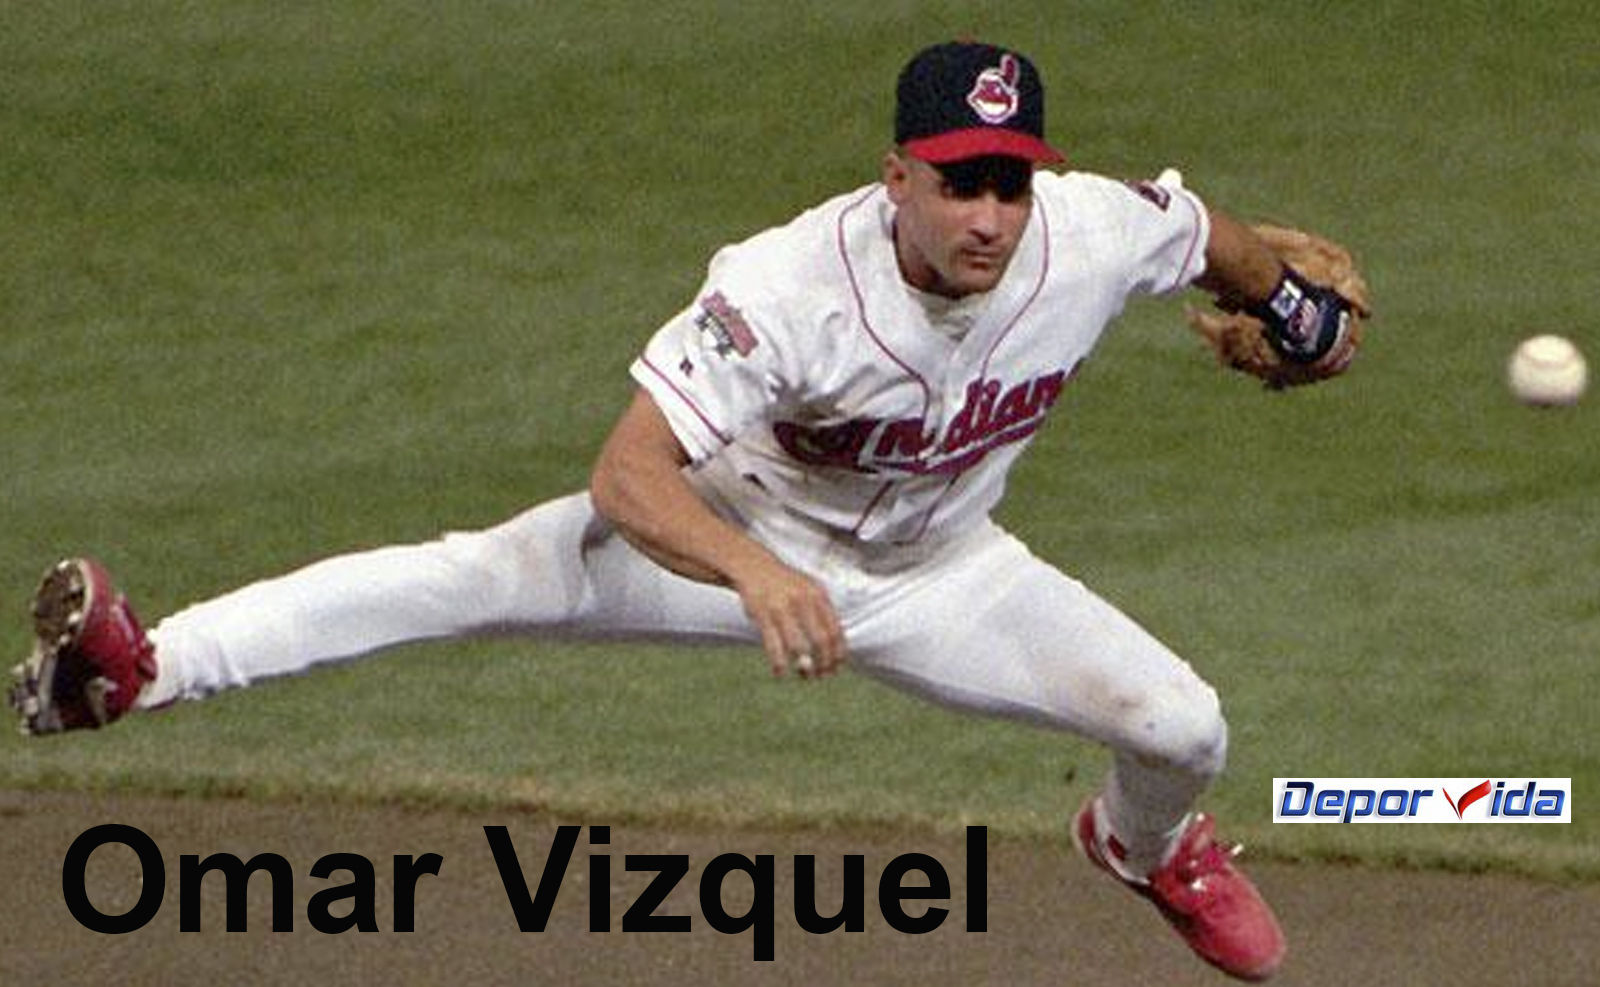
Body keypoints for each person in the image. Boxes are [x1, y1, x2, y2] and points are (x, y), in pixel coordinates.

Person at [12, 41, 1361, 981]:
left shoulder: (1087, 231)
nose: (992, 218)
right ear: (897, 175)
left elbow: (1199, 234)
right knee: (473, 576)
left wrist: (1289, 307)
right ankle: (143, 671)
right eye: (961, 183)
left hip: (952, 575)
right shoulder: (787, 287)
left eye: (1010, 183)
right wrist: (752, 574)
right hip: (735, 532)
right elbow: (630, 476)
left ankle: (1140, 849)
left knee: (1182, 726)